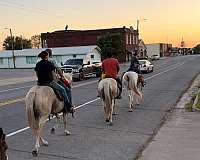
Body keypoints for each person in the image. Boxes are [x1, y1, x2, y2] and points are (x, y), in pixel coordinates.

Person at [34, 50, 75, 114]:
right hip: (49, 83)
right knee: (63, 89)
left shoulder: (38, 64)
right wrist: (59, 79)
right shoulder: (50, 63)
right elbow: (53, 74)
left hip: (40, 83)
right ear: (47, 56)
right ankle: (69, 106)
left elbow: (36, 73)